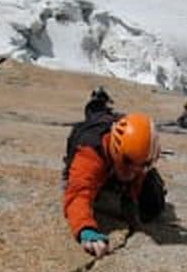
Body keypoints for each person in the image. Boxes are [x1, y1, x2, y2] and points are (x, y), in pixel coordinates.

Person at [63, 103, 166, 257]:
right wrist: (85, 229)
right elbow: (79, 195)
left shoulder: (136, 156)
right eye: (129, 164)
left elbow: (138, 171)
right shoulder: (90, 153)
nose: (132, 172)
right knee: (92, 193)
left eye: (141, 166)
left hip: (117, 161)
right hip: (99, 161)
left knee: (153, 203)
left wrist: (131, 197)